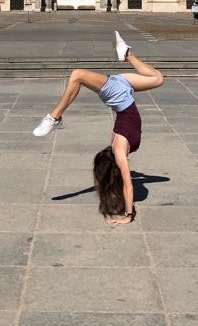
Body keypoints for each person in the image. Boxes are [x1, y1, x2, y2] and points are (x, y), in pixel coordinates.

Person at [32, 31, 164, 226]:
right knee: (77, 75)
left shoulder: (123, 146)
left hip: (124, 92)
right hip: (120, 93)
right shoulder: (119, 149)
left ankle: (126, 54)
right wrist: (128, 215)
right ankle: (54, 117)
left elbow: (126, 181)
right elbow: (128, 186)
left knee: (157, 79)